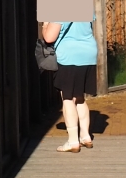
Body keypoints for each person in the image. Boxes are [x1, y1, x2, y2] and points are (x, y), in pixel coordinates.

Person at [41, 18, 98, 153]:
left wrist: (44, 25)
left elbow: (49, 37)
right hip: (88, 53)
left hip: (69, 56)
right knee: (79, 96)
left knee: (67, 98)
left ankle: (73, 141)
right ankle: (85, 136)